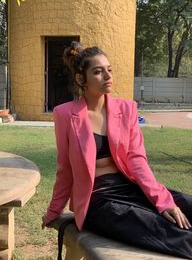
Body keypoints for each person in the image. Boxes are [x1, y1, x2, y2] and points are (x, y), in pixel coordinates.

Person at [43, 41, 192, 259]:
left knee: (186, 204)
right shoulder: (65, 114)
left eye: (109, 70)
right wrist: (54, 211)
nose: (107, 76)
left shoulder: (126, 109)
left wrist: (163, 200)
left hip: (130, 187)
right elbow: (65, 168)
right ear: (80, 79)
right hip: (97, 199)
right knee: (165, 230)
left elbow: (137, 159)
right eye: (98, 71)